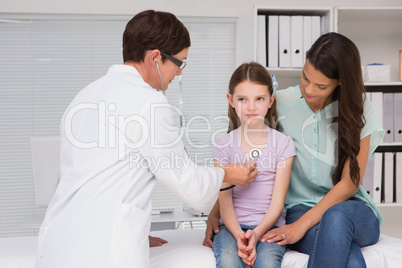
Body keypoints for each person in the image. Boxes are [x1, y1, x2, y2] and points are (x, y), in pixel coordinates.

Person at [36, 10, 257, 268]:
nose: (179, 73)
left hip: (60, 242)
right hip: (103, 250)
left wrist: (134, 231)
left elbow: (99, 177)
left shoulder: (86, 95)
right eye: (179, 62)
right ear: (155, 57)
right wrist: (228, 175)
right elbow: (187, 183)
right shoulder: (148, 104)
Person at [204, 32, 385, 268]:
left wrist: (301, 226)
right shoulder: (280, 101)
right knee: (349, 259)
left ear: (340, 82)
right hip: (298, 209)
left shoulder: (359, 108)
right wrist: (215, 211)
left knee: (336, 217)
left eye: (320, 85)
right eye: (305, 77)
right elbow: (241, 154)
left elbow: (350, 182)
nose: (308, 89)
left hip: (350, 211)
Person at [212, 62, 295, 267]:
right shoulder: (222, 146)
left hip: (268, 227)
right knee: (229, 260)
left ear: (270, 101)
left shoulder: (283, 144)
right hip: (232, 228)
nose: (251, 107)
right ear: (231, 100)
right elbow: (225, 204)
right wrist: (239, 234)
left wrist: (257, 234)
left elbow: (277, 204)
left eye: (259, 99)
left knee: (267, 262)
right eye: (242, 99)